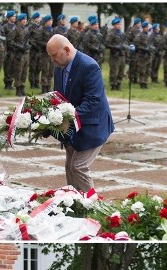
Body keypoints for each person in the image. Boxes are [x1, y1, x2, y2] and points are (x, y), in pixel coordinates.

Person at [48, 34, 115, 192]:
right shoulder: (60, 69)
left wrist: (65, 117)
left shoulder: (89, 66)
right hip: (72, 128)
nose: (52, 60)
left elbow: (93, 101)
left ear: (66, 50)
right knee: (70, 167)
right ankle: (74, 202)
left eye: (54, 56)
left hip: (92, 126)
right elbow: (60, 96)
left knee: (78, 166)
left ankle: (91, 205)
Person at [105, 17, 127, 90]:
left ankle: (119, 83)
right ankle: (113, 84)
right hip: (114, 55)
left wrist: (125, 48)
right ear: (114, 25)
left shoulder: (122, 34)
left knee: (121, 70)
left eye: (119, 24)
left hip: (122, 55)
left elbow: (125, 43)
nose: (119, 25)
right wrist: (115, 47)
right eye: (117, 24)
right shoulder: (111, 34)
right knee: (114, 71)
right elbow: (107, 44)